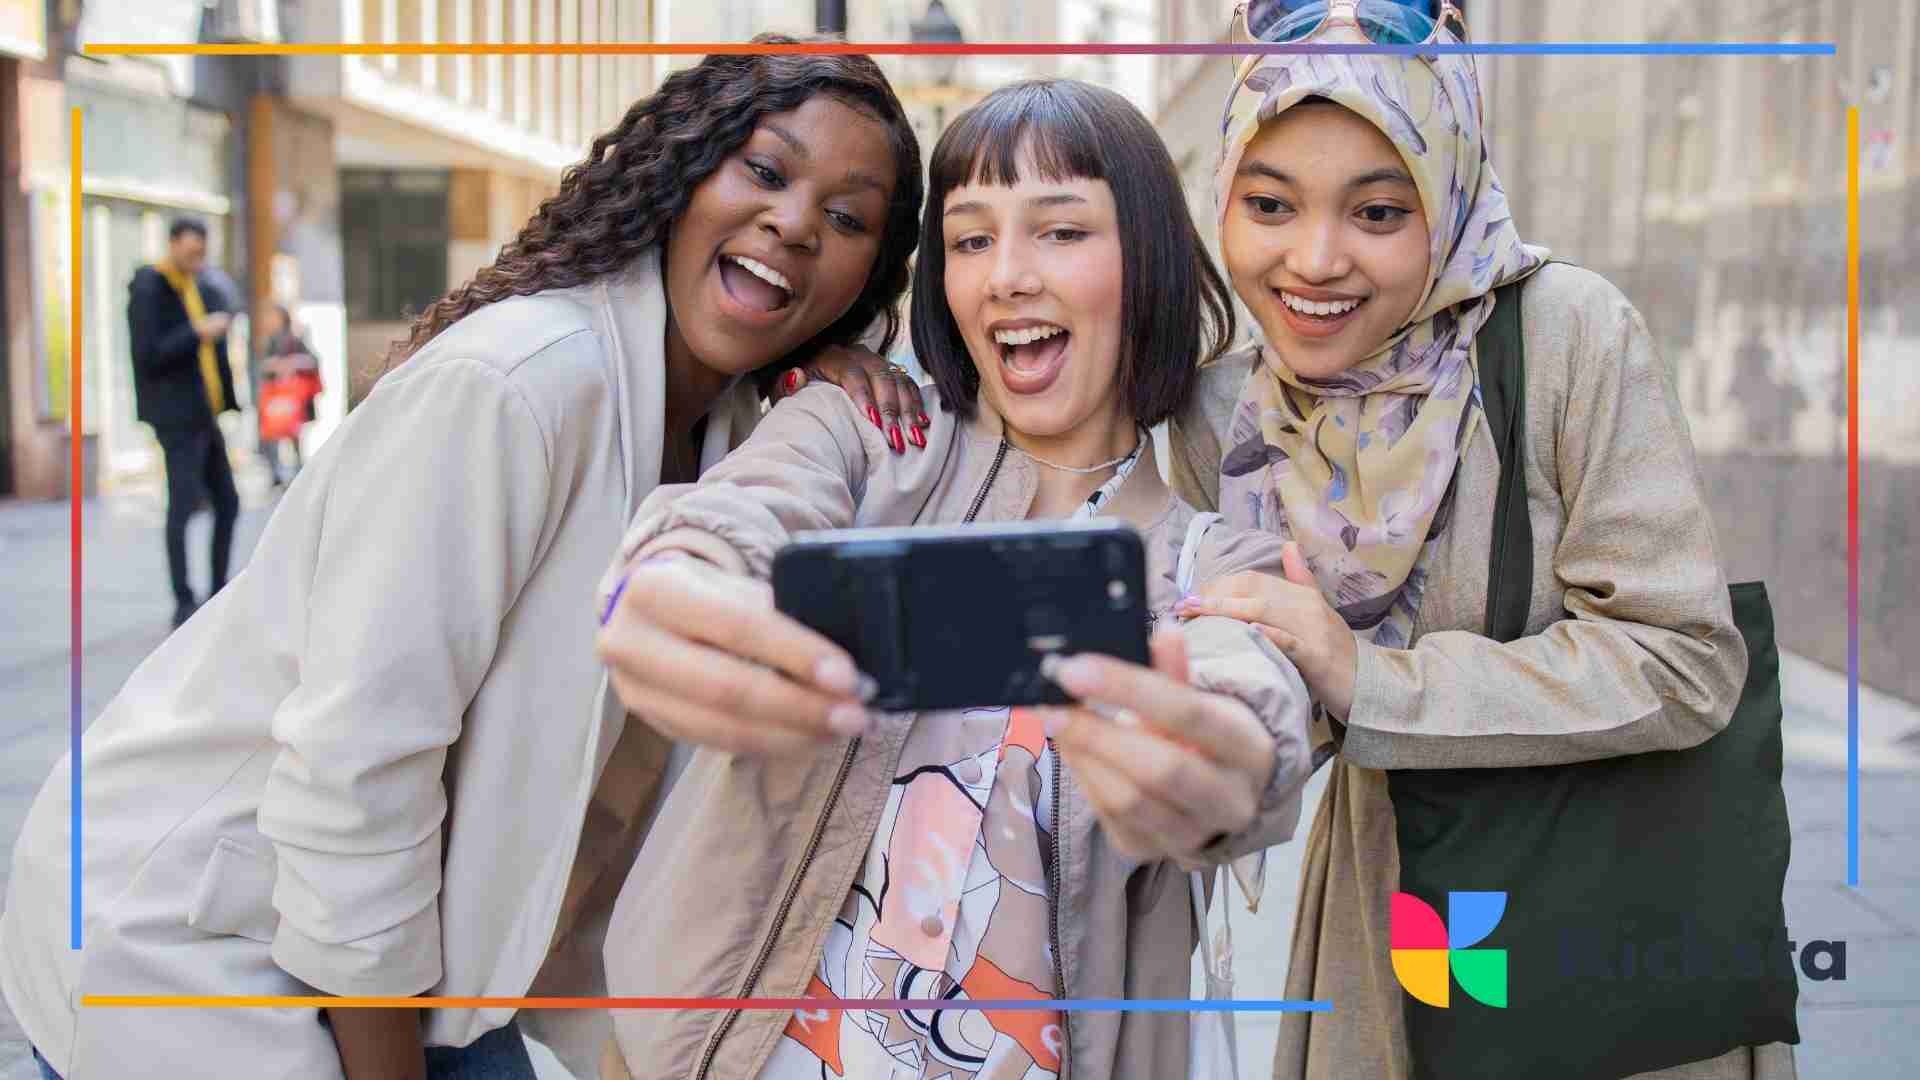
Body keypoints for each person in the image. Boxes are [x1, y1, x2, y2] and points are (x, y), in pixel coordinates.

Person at [1, 39, 928, 1080]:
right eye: (764, 170)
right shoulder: (516, 387)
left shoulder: (718, 434)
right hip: (203, 953)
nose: (796, 222)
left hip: (427, 980)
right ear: (681, 172)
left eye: (847, 218)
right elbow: (357, 771)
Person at [592, 79, 1316, 1080]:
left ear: (1145, 257)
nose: (1006, 277)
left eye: (1060, 232)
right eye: (971, 239)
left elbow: (1254, 688)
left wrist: (1232, 758)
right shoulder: (863, 436)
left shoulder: (1215, 558)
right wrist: (668, 585)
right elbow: (731, 520)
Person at [1165, 6, 1796, 1079]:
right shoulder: (1234, 410)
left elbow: (1686, 659)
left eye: (1378, 209)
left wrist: (1374, 682)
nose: (1314, 259)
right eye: (1269, 204)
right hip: (1384, 911)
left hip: (1595, 921)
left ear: (1447, 189)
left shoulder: (1562, 335)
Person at [128, 217, 241, 629]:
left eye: (202, 254)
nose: (198, 260)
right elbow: (149, 355)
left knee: (228, 501)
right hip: (176, 419)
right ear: (173, 244)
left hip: (205, 415)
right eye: (192, 252)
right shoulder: (149, 288)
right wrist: (197, 331)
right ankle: (183, 599)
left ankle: (218, 590)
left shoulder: (198, 285)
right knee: (183, 506)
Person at [256, 302, 323, 486]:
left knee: (292, 435)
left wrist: (291, 363)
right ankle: (279, 474)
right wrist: (273, 365)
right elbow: (262, 367)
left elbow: (312, 360)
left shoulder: (294, 338)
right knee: (274, 435)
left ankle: (297, 472)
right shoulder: (269, 340)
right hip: (276, 396)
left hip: (291, 396)